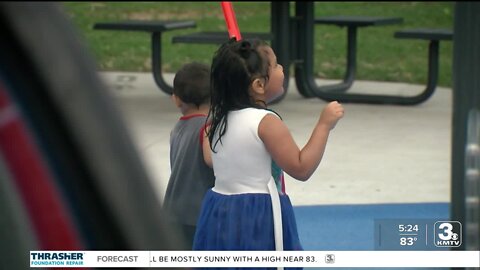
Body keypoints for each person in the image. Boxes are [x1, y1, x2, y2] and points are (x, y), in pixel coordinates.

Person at [193, 38, 344, 255]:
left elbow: (211, 159)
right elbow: (301, 168)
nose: (282, 68)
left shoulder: (218, 121)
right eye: (276, 65)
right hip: (257, 214)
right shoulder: (267, 123)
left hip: (220, 210)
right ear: (259, 85)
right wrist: (324, 125)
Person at [163, 62, 215, 250]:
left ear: (176, 100)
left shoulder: (177, 129)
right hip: (198, 213)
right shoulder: (209, 127)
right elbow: (212, 161)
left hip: (173, 210)